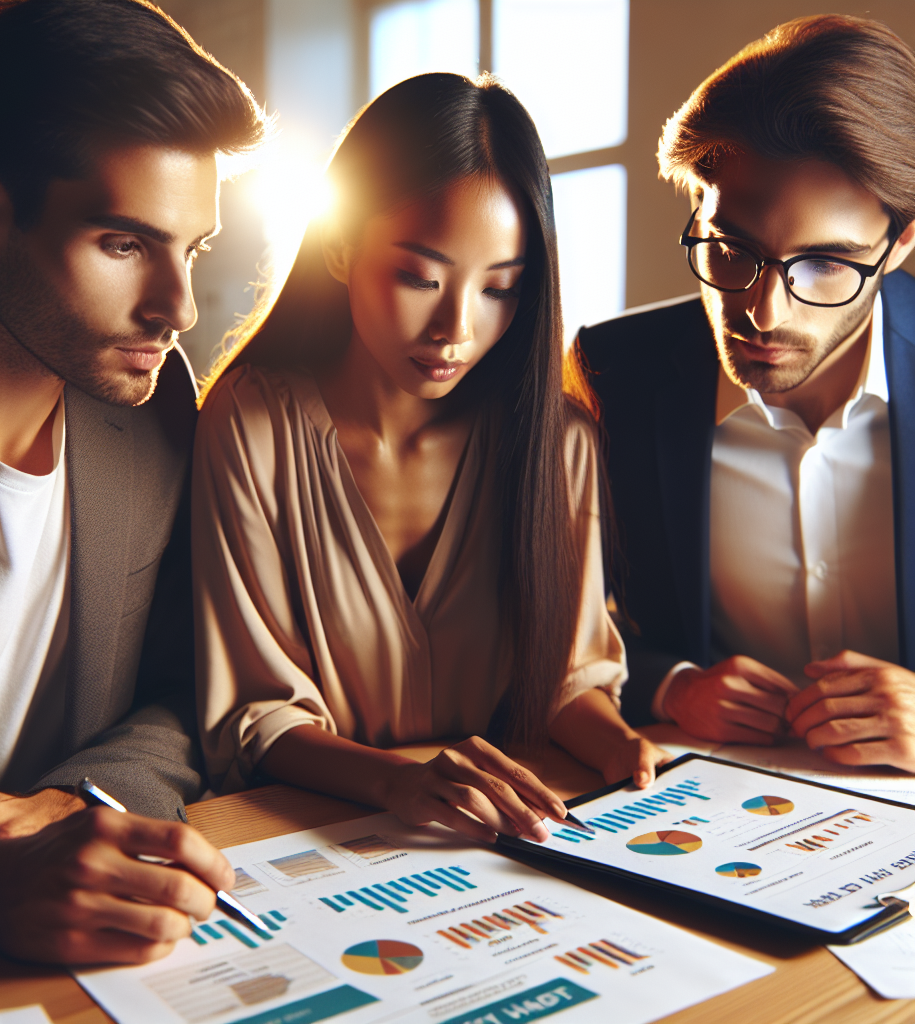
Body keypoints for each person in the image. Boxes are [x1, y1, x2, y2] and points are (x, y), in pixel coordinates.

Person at [193, 72, 668, 848]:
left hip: (501, 834)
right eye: (420, 277)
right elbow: (254, 714)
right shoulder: (253, 422)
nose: (456, 328)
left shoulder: (561, 442)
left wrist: (627, 750)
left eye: (501, 289)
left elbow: (567, 680)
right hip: (310, 833)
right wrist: (398, 782)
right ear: (342, 246)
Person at [0, 0, 267, 966]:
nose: (179, 306)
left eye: (195, 249)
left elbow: (185, 690)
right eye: (124, 244)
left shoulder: (151, 408)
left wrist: (75, 800)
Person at [578, 15, 915, 774]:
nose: (764, 312)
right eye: (732, 250)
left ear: (900, 245)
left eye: (825, 264)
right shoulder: (616, 372)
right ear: (700, 210)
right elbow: (546, 611)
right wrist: (670, 685)